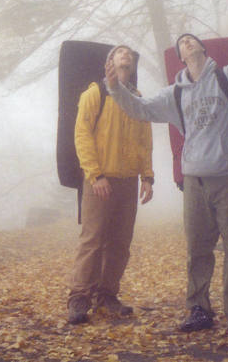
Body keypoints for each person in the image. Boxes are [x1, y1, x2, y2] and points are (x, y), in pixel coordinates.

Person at [106, 0, 228, 336]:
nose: (187, 43)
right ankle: (199, 310)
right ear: (180, 55)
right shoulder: (174, 94)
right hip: (194, 182)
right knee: (197, 250)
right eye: (182, 42)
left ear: (202, 48)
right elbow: (139, 109)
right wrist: (115, 88)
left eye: (191, 39)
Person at [67, 44, 155, 325]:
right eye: (119, 52)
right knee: (92, 240)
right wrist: (95, 175)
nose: (126, 54)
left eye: (130, 53)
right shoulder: (96, 93)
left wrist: (148, 177)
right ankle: (79, 298)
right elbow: (82, 135)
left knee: (120, 243)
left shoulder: (138, 98)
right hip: (100, 180)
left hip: (128, 181)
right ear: (110, 62)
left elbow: (145, 142)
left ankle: (107, 296)